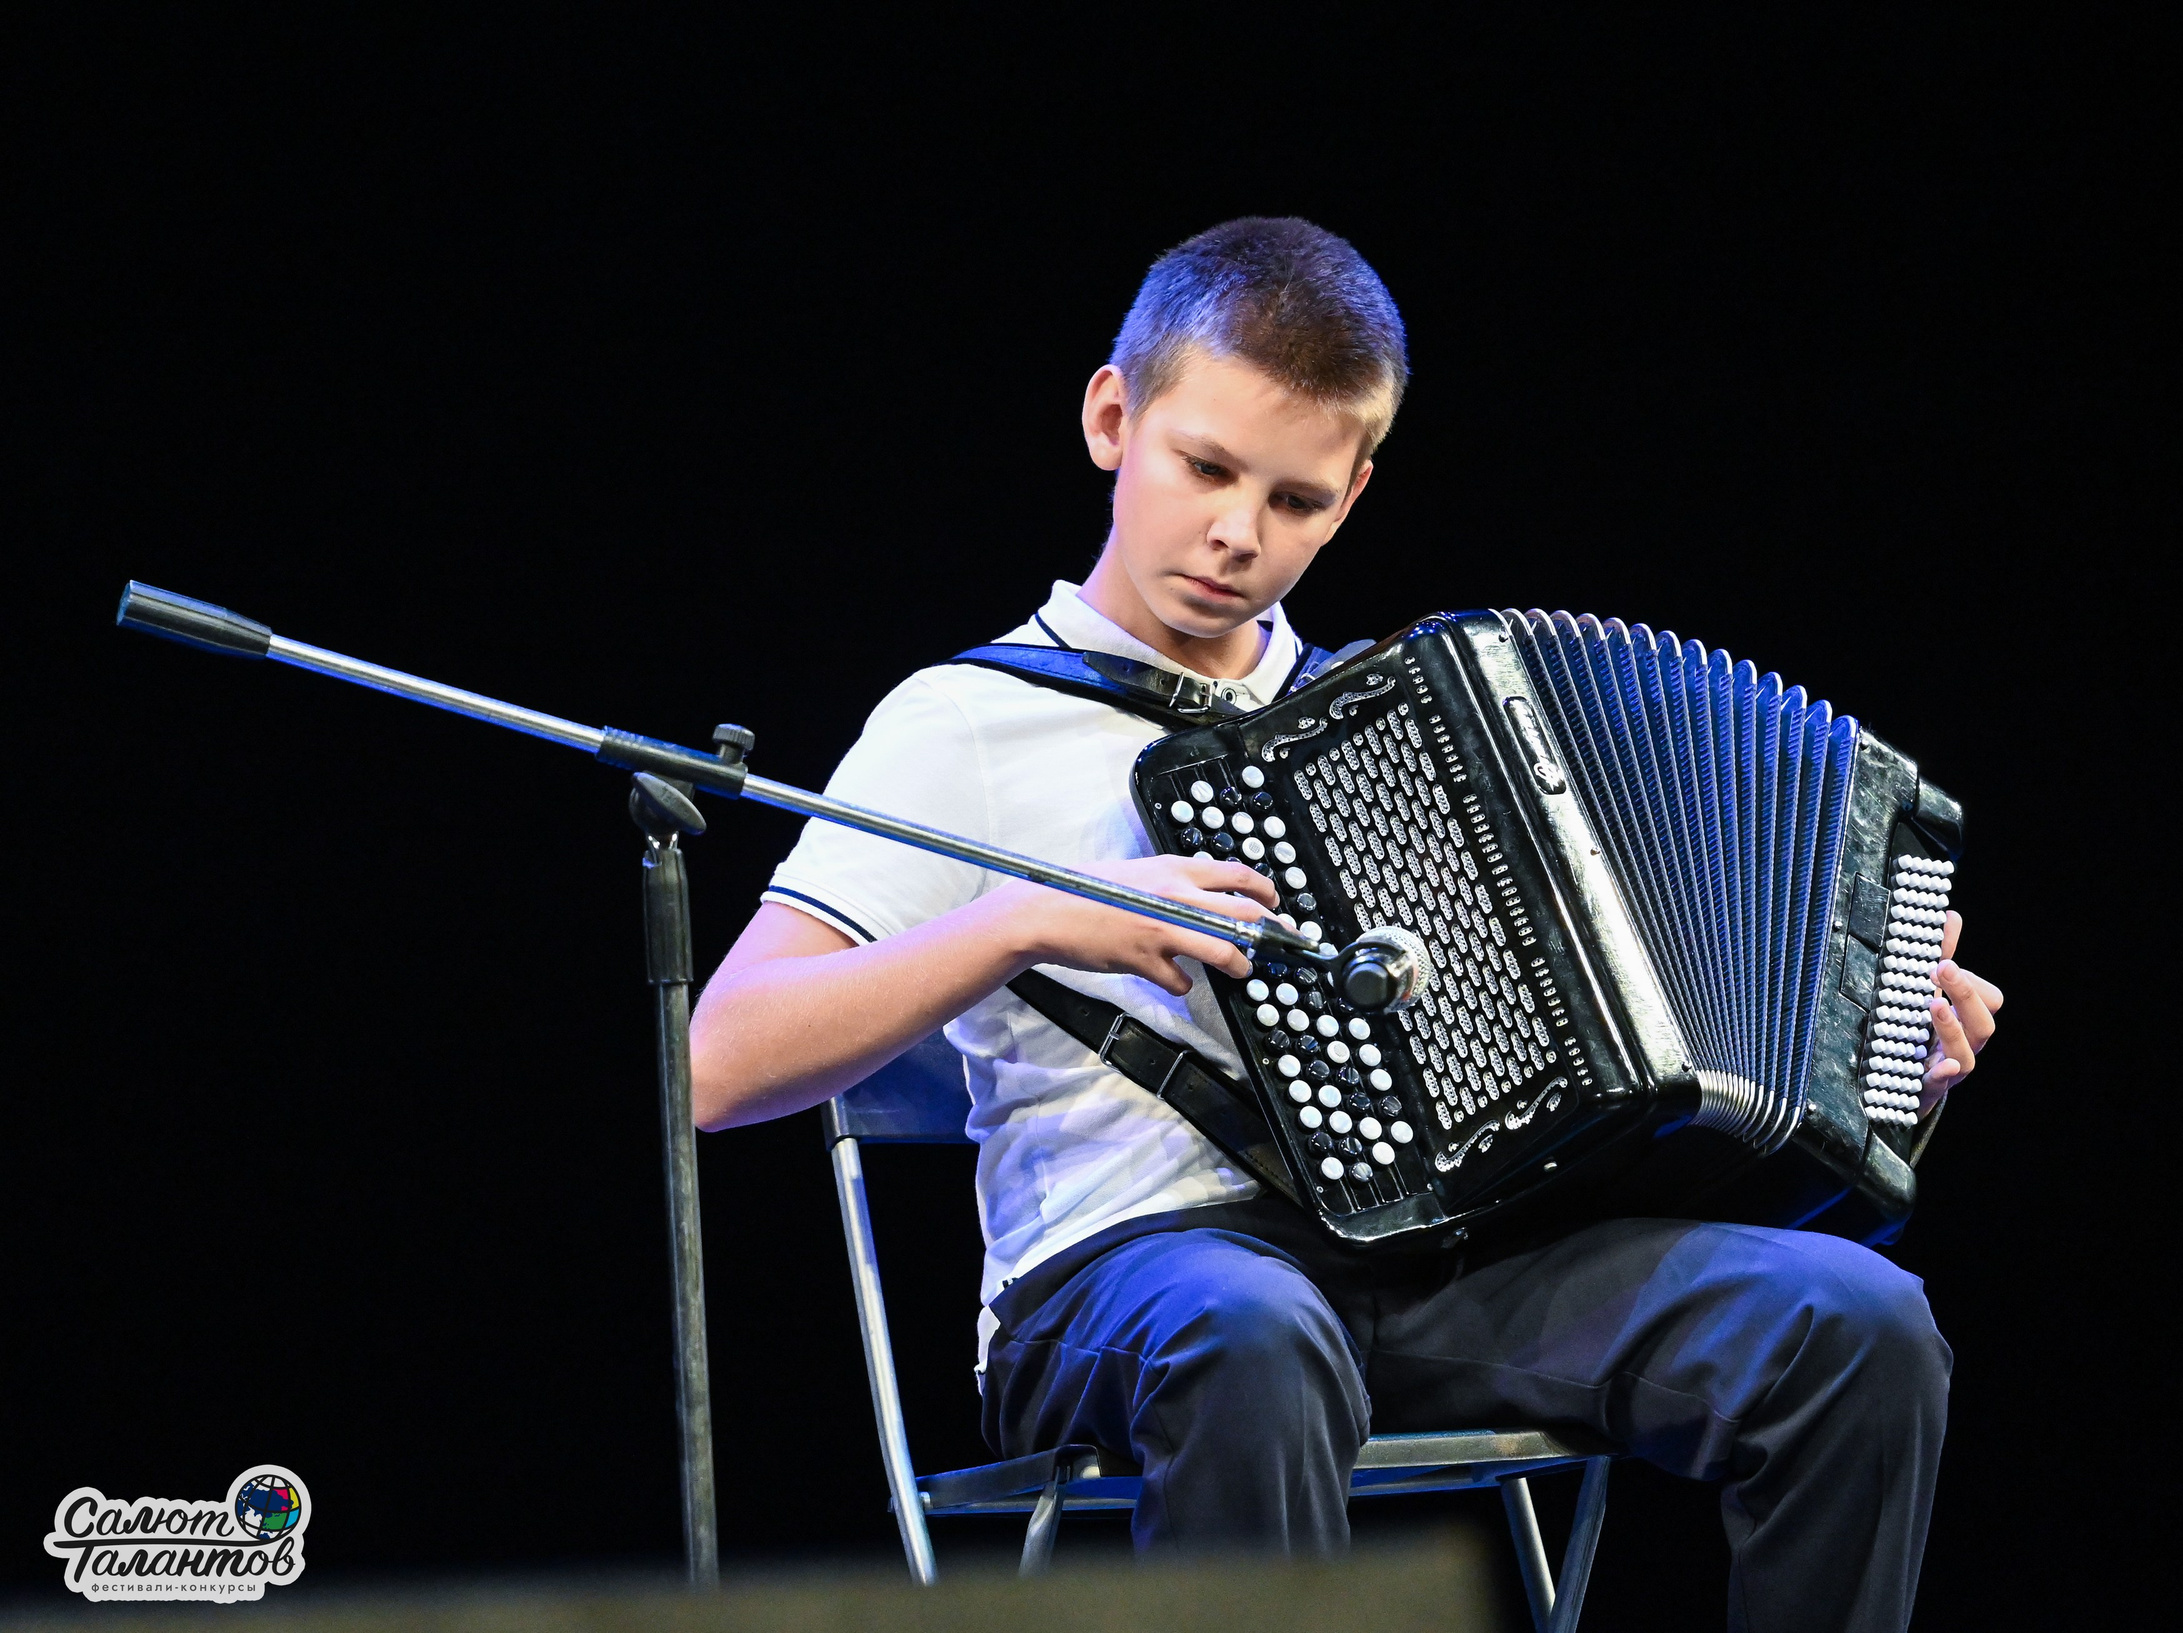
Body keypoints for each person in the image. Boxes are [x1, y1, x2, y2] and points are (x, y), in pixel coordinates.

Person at [689, 217, 2003, 1631]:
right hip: (1130, 1279)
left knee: (1857, 1324)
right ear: (1111, 419)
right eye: (1204, 468)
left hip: (1434, 1270)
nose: (1238, 533)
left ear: (1354, 495)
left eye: (1297, 500)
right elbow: (719, 1063)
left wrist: (1865, 1052)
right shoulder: (962, 723)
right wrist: (1023, 920)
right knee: (1255, 1336)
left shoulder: (1403, 722)